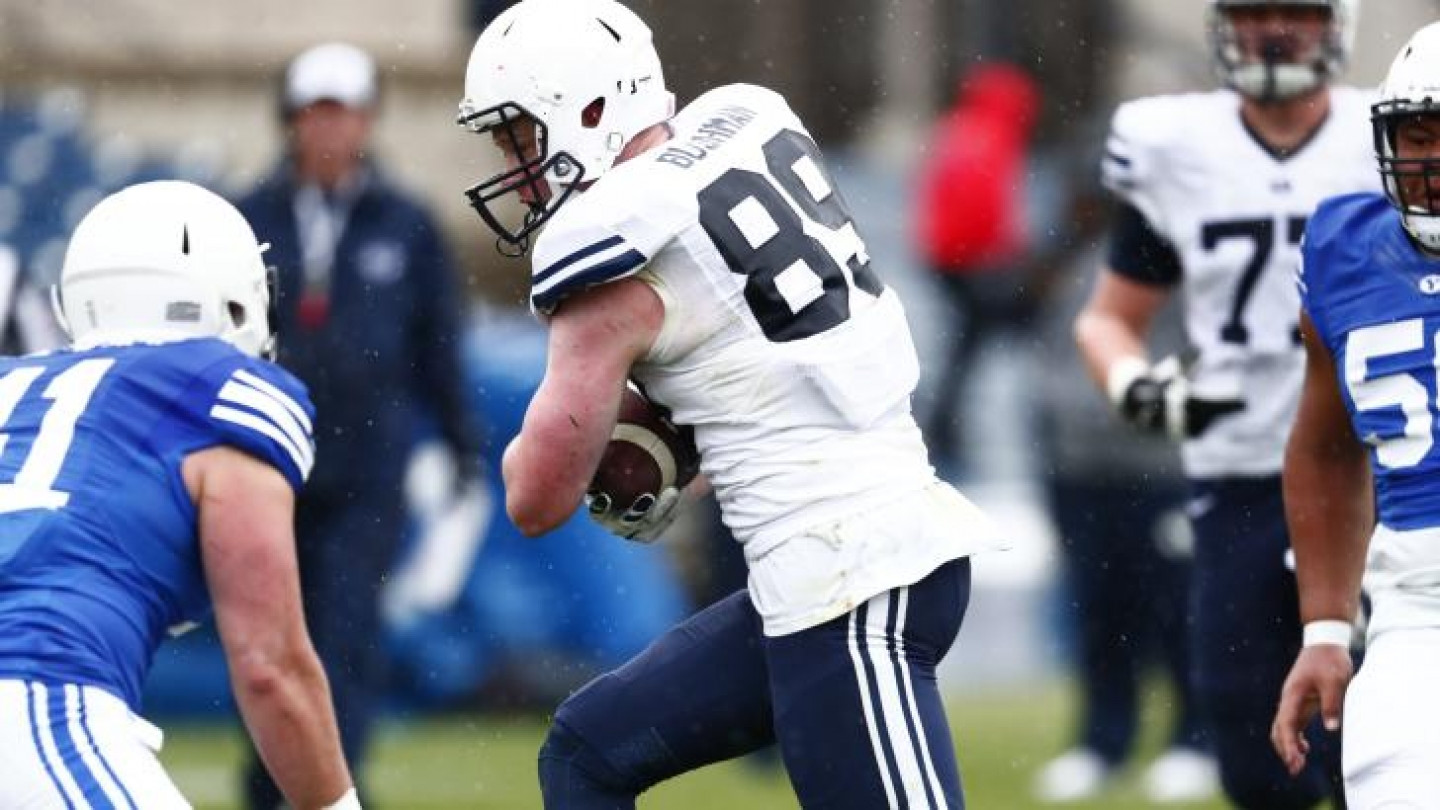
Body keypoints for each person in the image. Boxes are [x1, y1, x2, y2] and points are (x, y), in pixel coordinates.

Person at [457, 0, 1006, 807]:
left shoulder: (610, 257)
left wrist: (605, 442)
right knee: (586, 752)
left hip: (849, 579)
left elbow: (536, 497)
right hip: (846, 556)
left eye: (521, 136)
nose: (514, 163)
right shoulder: (741, 126)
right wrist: (675, 451)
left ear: (593, 109)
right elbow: (758, 373)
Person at [1072, 1, 1374, 807]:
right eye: (1254, 13)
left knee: (1377, 744)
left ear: (1336, 23)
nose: (1275, 32)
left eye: (1297, 14)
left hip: (1371, 480)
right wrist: (1138, 387)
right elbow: (1109, 319)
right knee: (1251, 751)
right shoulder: (1177, 145)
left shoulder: (1384, 136)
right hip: (1238, 475)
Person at [0, 181, 357, 809]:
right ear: (235, 298)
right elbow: (270, 665)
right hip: (33, 690)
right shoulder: (217, 389)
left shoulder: (14, 383)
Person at [236, 42, 482, 808]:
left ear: (369, 120)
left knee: (344, 633)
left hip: (367, 469)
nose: (330, 129)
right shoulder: (249, 215)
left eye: (344, 112)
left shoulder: (405, 225)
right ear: (291, 120)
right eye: (316, 111)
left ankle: (331, 784)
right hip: (266, 465)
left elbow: (438, 345)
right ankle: (270, 780)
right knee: (267, 636)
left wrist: (461, 445)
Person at [1272, 21, 1440, 807]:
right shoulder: (1346, 247)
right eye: (1419, 135)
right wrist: (1327, 632)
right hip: (1417, 611)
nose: (1432, 162)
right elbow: (1327, 449)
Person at [1032, 183, 1215, 804]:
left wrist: (1133, 409)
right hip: (1082, 470)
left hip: (1157, 467)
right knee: (1099, 610)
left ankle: (1195, 739)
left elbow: (1196, 359)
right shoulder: (1077, 266)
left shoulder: (1180, 268)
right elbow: (1054, 359)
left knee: (1175, 609)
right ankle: (1102, 741)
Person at [912, 62, 1040, 482]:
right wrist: (1004, 252)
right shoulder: (990, 136)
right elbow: (987, 206)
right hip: (969, 260)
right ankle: (946, 424)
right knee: (980, 340)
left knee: (968, 342)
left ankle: (944, 422)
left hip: (947, 255)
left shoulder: (958, 128)